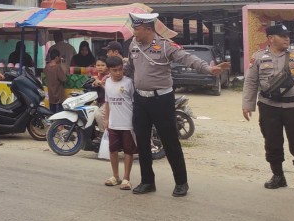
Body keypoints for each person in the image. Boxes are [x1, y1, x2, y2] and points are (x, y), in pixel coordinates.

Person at [125, 13, 229, 197]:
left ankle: (181, 182)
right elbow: (131, 69)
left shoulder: (165, 46)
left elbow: (187, 58)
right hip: (141, 99)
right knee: (141, 141)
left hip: (161, 100)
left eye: (137, 28)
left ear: (148, 29)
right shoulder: (133, 45)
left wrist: (209, 69)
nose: (134, 32)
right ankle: (147, 181)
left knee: (170, 141)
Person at [242, 24, 294, 194]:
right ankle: (278, 176)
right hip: (269, 107)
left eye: (288, 35)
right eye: (282, 35)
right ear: (271, 38)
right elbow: (251, 82)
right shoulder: (258, 58)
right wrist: (247, 105)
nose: (287, 38)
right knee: (272, 143)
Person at [103, 55, 136, 190]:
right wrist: (106, 119)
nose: (118, 73)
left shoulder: (128, 83)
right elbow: (107, 102)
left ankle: (126, 178)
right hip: (113, 123)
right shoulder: (108, 83)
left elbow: (135, 103)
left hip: (127, 123)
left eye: (120, 70)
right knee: (113, 150)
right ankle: (115, 176)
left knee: (128, 151)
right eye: (114, 70)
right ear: (109, 70)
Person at [44, 48, 67, 114]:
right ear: (57, 57)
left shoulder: (47, 66)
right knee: (60, 113)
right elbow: (64, 79)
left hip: (51, 92)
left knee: (52, 111)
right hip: (58, 93)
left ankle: (52, 123)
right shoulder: (57, 67)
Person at [90, 57, 109, 131]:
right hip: (98, 101)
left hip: (107, 102)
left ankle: (103, 134)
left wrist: (100, 83)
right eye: (98, 65)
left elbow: (109, 91)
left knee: (99, 115)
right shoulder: (96, 75)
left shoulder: (109, 76)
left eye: (102, 65)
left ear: (107, 66)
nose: (100, 67)